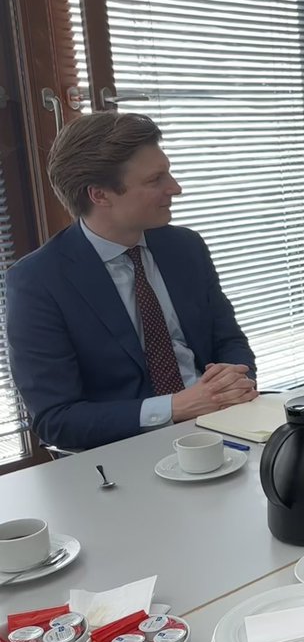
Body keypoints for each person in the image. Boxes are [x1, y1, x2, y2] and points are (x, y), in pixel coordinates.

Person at [6, 112, 256, 452]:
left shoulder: (185, 247)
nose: (176, 188)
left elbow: (229, 340)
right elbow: (56, 419)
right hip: (123, 454)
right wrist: (176, 407)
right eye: (156, 180)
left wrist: (233, 378)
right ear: (99, 195)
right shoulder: (38, 281)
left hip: (220, 430)